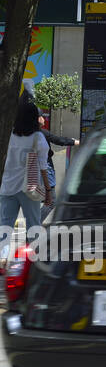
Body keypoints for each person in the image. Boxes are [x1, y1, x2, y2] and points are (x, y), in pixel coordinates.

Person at [2, 101, 50, 265]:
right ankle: (32, 261)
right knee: (33, 225)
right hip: (30, 188)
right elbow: (43, 167)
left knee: (5, 224)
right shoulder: (38, 137)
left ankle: (2, 257)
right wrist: (48, 191)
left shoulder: (9, 135)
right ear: (34, 118)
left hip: (8, 186)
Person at [38, 114, 79, 223]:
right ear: (37, 118)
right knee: (51, 201)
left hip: (32, 168)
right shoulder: (42, 133)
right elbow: (58, 140)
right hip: (45, 168)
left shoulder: (26, 134)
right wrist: (75, 142)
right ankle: (33, 226)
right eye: (42, 116)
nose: (44, 118)